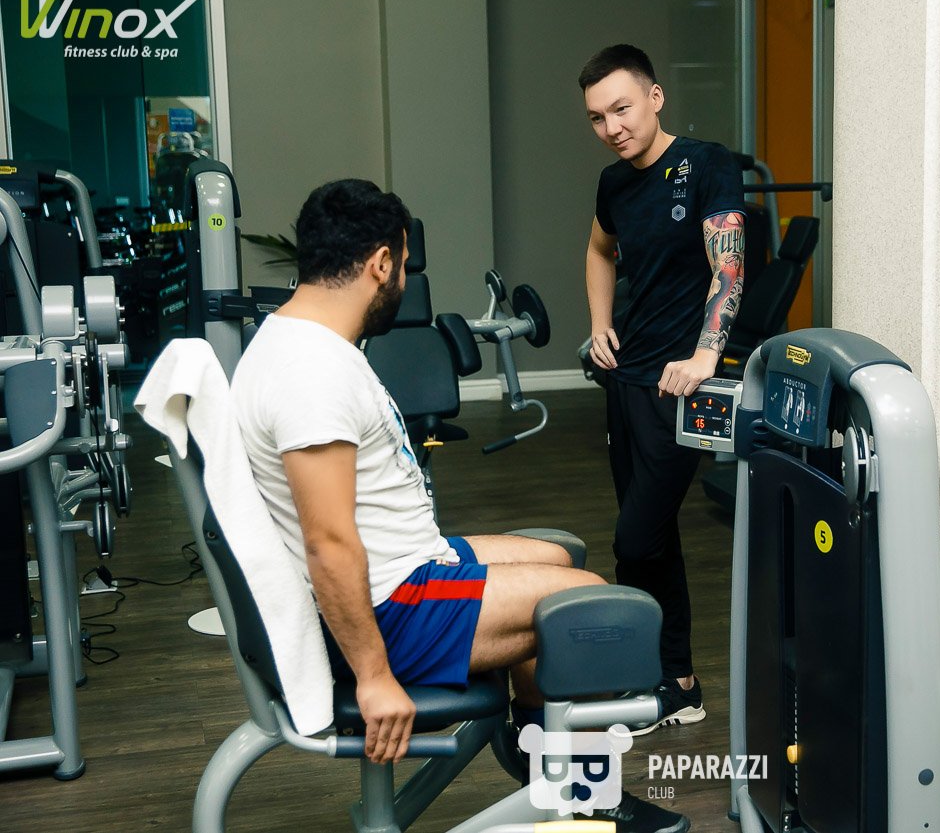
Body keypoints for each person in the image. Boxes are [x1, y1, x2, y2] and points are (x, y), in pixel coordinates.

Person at [232, 179, 689, 833]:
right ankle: (585, 793)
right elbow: (327, 542)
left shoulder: (301, 340)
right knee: (592, 604)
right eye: (401, 265)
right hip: (390, 606)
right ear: (381, 263)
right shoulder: (311, 374)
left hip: (402, 567)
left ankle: (545, 762)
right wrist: (373, 677)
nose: (401, 280)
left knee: (558, 557)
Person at [580, 45, 745, 736]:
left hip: (678, 387)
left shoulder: (706, 164)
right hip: (626, 379)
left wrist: (706, 354)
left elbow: (728, 266)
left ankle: (648, 674)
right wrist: (600, 325)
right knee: (652, 536)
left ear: (654, 97)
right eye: (597, 117)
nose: (612, 127)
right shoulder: (613, 184)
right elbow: (599, 250)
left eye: (621, 108)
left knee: (634, 537)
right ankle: (676, 682)